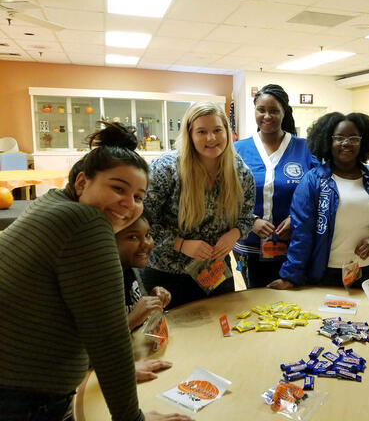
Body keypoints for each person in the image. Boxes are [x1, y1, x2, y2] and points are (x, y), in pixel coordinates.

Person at [0, 122, 192, 421]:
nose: (128, 205)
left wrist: (122, 369)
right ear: (81, 183)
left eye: (138, 197)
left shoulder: (51, 204)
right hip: (21, 398)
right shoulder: (86, 223)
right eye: (118, 188)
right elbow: (109, 338)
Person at [269, 112, 369, 289]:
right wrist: (290, 277)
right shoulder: (313, 181)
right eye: (339, 137)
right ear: (327, 141)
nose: (346, 143)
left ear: (364, 141)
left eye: (353, 138)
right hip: (325, 275)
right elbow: (302, 233)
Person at [142, 102, 255, 309]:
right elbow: (143, 224)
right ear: (190, 135)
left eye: (217, 130)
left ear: (227, 133)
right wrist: (181, 244)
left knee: (220, 333)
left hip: (215, 272)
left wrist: (235, 234)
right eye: (202, 131)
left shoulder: (240, 172)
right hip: (166, 274)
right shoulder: (165, 169)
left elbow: (247, 216)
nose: (211, 138)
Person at [233, 84, 318, 288]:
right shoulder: (237, 150)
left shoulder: (305, 149)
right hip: (249, 245)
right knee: (254, 303)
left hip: (293, 248)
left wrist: (295, 219)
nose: (267, 116)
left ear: (284, 112)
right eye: (261, 110)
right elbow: (225, 196)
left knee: (291, 305)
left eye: (274, 110)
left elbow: (320, 193)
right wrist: (250, 221)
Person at [115, 211, 174, 383]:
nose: (146, 243)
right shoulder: (102, 282)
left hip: (137, 355)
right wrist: (133, 318)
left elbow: (134, 303)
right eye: (133, 237)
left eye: (147, 235)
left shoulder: (131, 270)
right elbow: (96, 347)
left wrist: (152, 298)